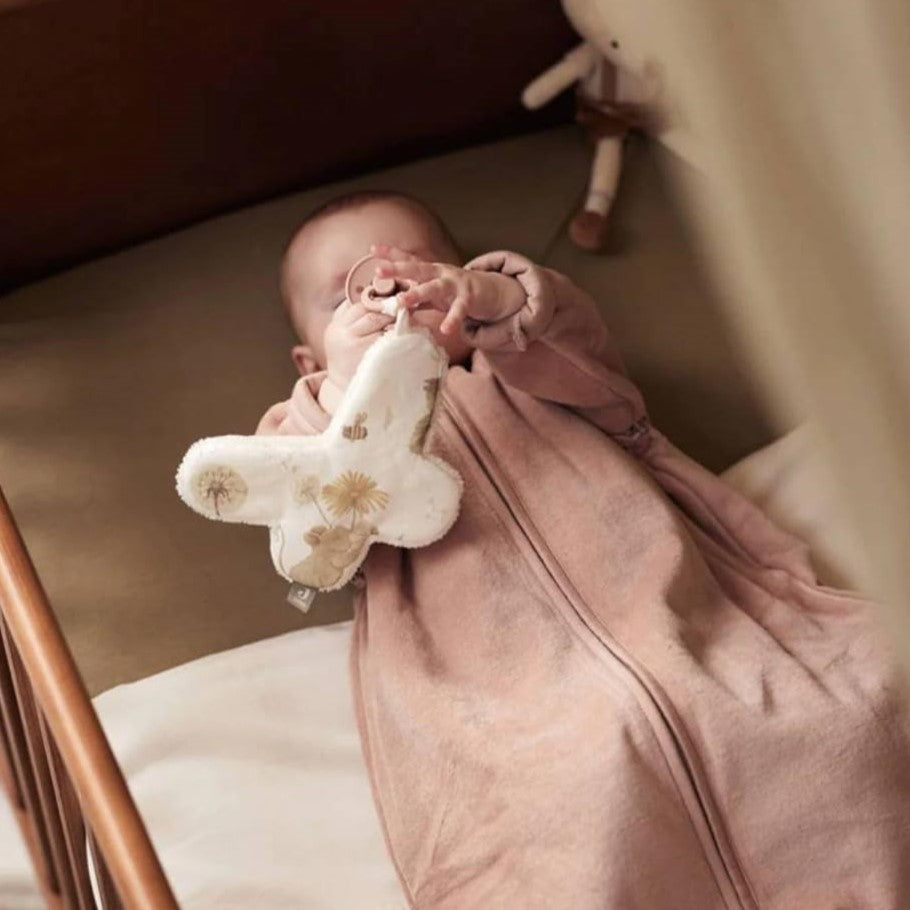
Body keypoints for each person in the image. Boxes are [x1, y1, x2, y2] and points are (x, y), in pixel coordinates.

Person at [257, 189, 910, 909]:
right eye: (344, 295)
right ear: (306, 357)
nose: (387, 294)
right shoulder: (318, 439)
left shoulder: (533, 373)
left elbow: (566, 334)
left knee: (842, 733)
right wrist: (346, 393)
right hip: (521, 712)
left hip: (696, 634)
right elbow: (305, 525)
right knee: (572, 826)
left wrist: (499, 303)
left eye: (414, 270)